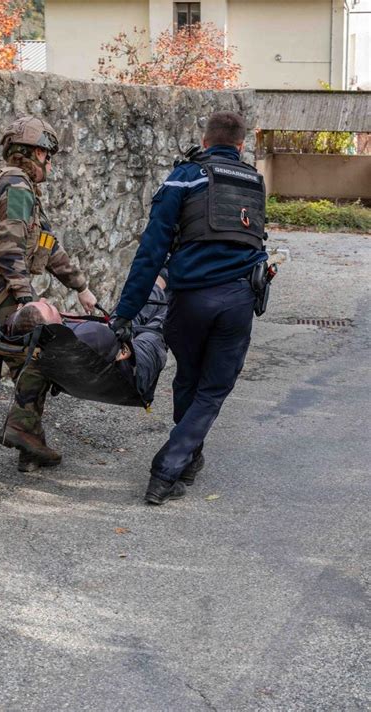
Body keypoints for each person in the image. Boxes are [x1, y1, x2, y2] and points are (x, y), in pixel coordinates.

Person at [110, 111, 268, 505]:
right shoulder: (254, 181)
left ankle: (178, 462)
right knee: (212, 388)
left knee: (189, 378)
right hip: (238, 301)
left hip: (190, 300)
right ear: (241, 145)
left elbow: (151, 251)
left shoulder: (183, 177)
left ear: (205, 137)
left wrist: (126, 313)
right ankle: (173, 464)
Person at [0, 115, 97, 472]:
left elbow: (49, 249)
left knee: (27, 358)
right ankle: (24, 432)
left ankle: (29, 444)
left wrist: (81, 288)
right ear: (35, 153)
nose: (49, 165)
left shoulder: (16, 187)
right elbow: (9, 250)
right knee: (41, 351)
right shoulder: (18, 186)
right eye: (48, 156)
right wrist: (26, 301)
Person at [6, 276, 169, 406]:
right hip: (139, 369)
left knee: (133, 302)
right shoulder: (91, 335)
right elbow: (123, 347)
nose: (43, 300)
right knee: (169, 316)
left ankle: (162, 276)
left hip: (113, 354)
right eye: (48, 308)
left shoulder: (39, 346)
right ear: (49, 328)